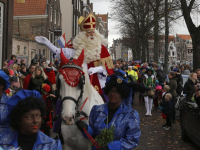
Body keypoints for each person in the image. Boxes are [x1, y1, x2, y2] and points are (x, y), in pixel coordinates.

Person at [35, 12, 114, 96]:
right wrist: (47, 43)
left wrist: (97, 69)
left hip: (98, 84)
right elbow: (59, 52)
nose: (92, 34)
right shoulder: (76, 49)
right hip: (79, 84)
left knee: (107, 103)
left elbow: (108, 68)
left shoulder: (102, 49)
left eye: (93, 32)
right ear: (83, 35)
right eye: (89, 32)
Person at [76, 74, 141, 150]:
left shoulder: (130, 115)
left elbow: (132, 141)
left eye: (116, 92)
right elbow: (93, 135)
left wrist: (109, 148)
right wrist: (86, 128)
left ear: (122, 94)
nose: (112, 94)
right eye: (111, 91)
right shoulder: (97, 110)